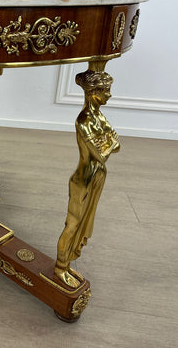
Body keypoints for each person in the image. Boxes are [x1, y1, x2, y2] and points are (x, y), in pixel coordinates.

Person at [55, 68, 120, 288]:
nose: (109, 95)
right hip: (83, 180)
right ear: (94, 93)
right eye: (106, 91)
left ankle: (68, 263)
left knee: (82, 223)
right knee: (73, 224)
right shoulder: (83, 121)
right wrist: (108, 142)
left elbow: (115, 145)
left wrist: (108, 143)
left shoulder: (99, 116)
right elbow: (101, 153)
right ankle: (60, 268)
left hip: (97, 176)